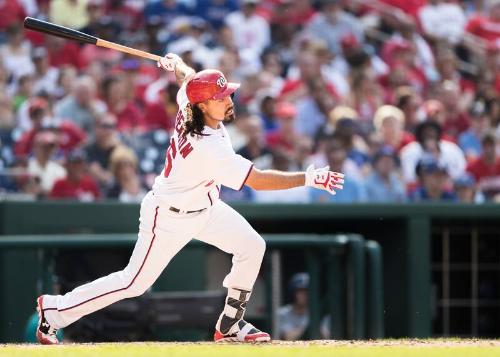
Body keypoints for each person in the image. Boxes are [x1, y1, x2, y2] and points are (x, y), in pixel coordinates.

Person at [35, 53, 345, 344]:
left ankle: (230, 325)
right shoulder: (208, 148)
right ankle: (55, 310)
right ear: (203, 106)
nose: (227, 99)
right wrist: (308, 178)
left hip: (204, 208)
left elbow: (189, 77)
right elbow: (258, 180)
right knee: (134, 283)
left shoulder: (189, 103)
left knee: (252, 246)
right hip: (168, 217)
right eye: (220, 97)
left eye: (226, 94)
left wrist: (177, 63)